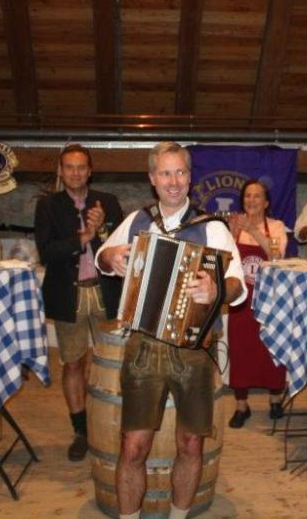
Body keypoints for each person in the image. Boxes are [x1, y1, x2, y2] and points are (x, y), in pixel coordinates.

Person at [96, 142, 244, 519]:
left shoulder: (212, 228)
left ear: (190, 177)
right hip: (143, 346)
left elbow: (238, 285)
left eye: (180, 172)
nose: (174, 181)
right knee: (133, 446)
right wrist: (109, 256)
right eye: (165, 173)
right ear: (152, 178)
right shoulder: (137, 221)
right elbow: (102, 258)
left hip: (194, 349)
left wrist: (216, 289)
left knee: (191, 443)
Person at [34, 144, 124, 461]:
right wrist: (84, 237)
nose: (75, 172)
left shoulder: (108, 202)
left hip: (105, 293)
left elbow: (121, 248)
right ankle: (81, 431)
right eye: (69, 167)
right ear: (60, 171)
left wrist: (101, 230)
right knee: (73, 363)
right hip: (67, 295)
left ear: (90, 171)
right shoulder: (48, 206)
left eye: (81, 167)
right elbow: (46, 252)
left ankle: (111, 425)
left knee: (112, 363)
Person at [226, 179, 289, 427]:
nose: (251, 200)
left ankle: (275, 399)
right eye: (247, 196)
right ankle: (241, 405)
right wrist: (233, 233)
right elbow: (224, 258)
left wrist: (253, 231)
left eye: (257, 196)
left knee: (271, 348)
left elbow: (276, 256)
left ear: (266, 202)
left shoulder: (276, 226)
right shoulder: (234, 225)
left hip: (270, 298)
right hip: (242, 298)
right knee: (240, 350)